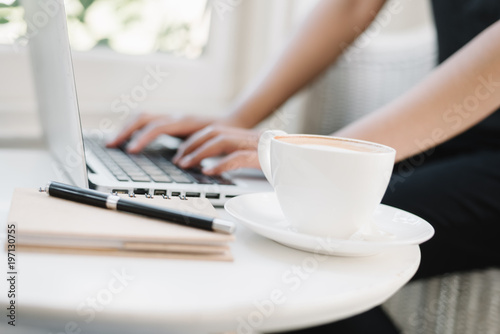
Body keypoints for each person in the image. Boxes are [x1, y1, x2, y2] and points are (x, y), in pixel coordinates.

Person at [108, 0, 500, 332]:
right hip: (452, 137)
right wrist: (236, 119)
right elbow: (353, 4)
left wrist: (325, 155)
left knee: (310, 252)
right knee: (265, 236)